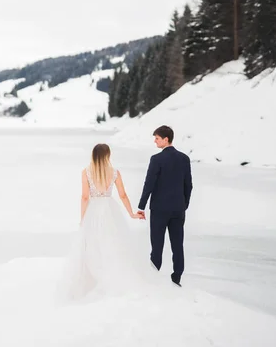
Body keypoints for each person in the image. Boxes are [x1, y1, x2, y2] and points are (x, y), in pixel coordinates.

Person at [64, 143, 145, 300]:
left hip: (93, 210)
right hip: (110, 209)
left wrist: (83, 219)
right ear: (107, 156)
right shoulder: (114, 173)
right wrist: (131, 214)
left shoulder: (86, 172)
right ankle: (113, 277)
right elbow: (122, 195)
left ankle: (93, 278)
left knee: (92, 245)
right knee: (112, 242)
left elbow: (85, 197)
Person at [137, 125, 193, 287]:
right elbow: (188, 185)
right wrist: (184, 204)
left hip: (159, 209)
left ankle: (154, 277)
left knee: (157, 244)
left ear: (166, 139)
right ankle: (177, 277)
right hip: (178, 209)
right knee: (177, 244)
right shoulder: (184, 159)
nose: (155, 141)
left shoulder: (157, 159)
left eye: (157, 138)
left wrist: (141, 206)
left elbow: (149, 184)